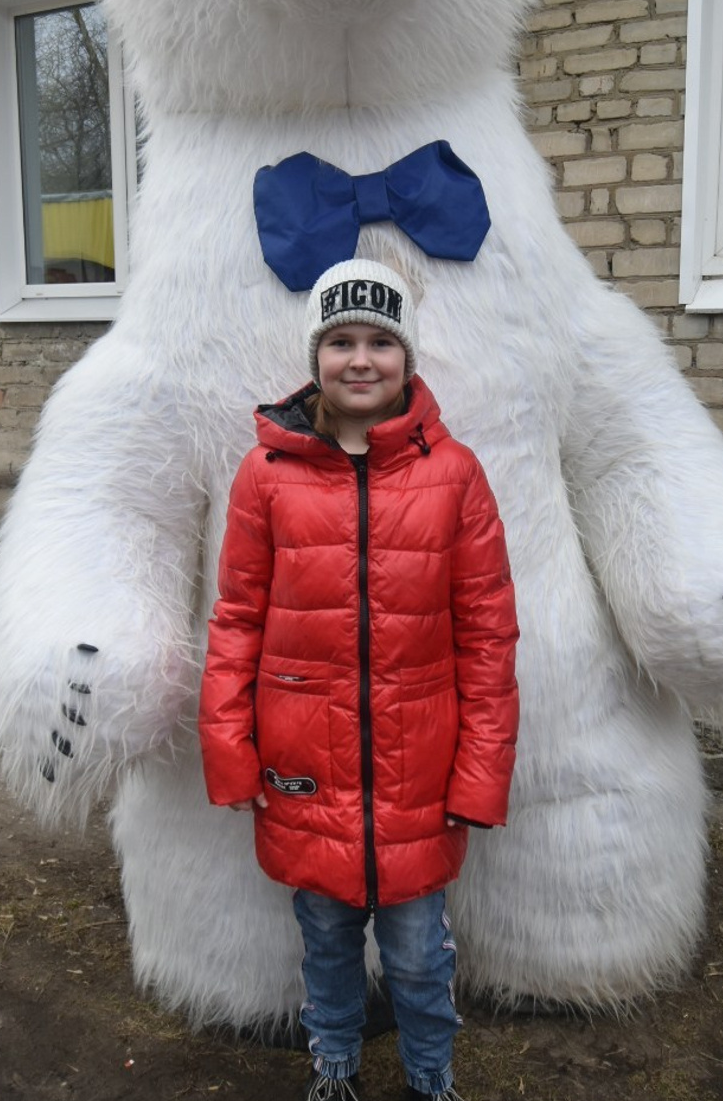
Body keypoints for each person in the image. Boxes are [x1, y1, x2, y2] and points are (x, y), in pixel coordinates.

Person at [199, 259, 520, 1101]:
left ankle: (430, 1077)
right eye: (341, 340)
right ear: (316, 358)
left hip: (420, 775)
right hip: (308, 770)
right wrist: (230, 754)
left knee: (419, 954)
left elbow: (489, 637)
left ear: (407, 358)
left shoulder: (456, 476)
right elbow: (236, 620)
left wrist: (480, 777)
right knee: (327, 943)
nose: (361, 359)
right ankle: (334, 1067)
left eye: (381, 340)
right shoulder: (265, 475)